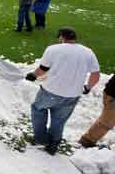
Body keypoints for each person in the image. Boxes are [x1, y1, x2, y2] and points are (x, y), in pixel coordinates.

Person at [25, 27, 100, 155]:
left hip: (50, 91)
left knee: (38, 109)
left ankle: (41, 139)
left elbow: (43, 69)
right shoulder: (88, 52)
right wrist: (87, 88)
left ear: (61, 37)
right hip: (72, 95)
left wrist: (33, 75)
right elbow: (95, 74)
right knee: (59, 120)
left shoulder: (53, 49)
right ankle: (54, 143)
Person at [79, 75, 115, 148]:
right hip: (113, 96)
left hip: (111, 94)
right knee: (106, 122)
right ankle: (86, 141)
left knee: (107, 121)